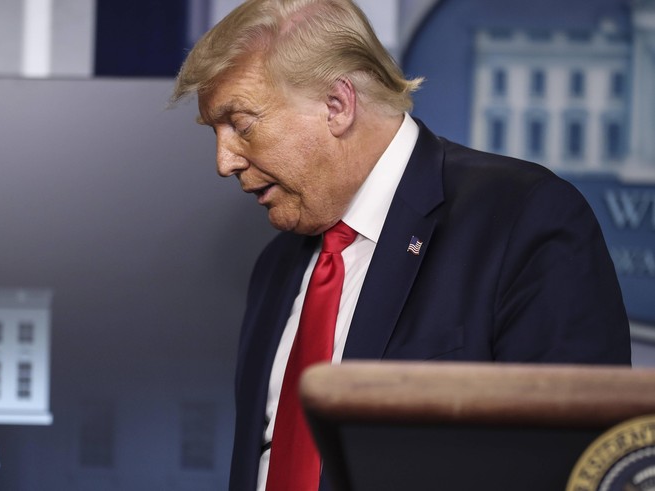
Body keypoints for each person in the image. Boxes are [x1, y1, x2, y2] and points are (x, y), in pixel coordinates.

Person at [170, 1, 631, 490]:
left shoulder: (524, 219)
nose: (224, 162)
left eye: (239, 124)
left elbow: (576, 464)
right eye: (215, 133)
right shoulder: (275, 267)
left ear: (337, 104)